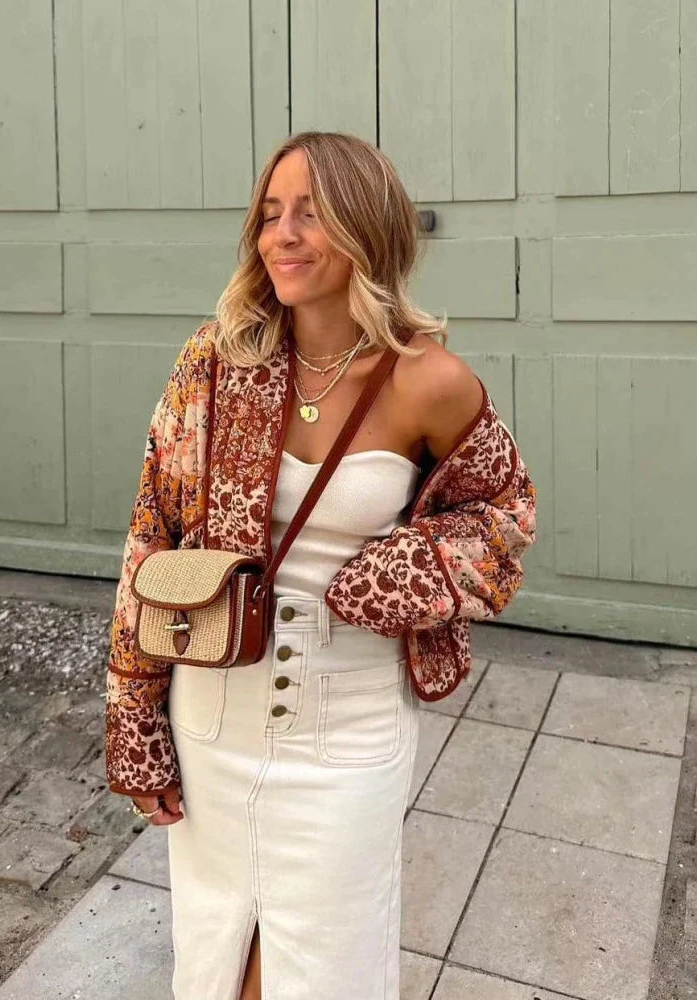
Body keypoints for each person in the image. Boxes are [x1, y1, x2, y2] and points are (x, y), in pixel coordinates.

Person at [105, 130, 537, 1000]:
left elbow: (505, 515)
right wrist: (134, 723)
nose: (284, 235)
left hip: (348, 732)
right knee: (217, 960)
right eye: (270, 214)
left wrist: (397, 574)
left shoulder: (427, 380)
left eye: (311, 212)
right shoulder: (216, 363)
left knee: (326, 970)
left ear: (367, 227)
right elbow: (151, 535)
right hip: (213, 716)